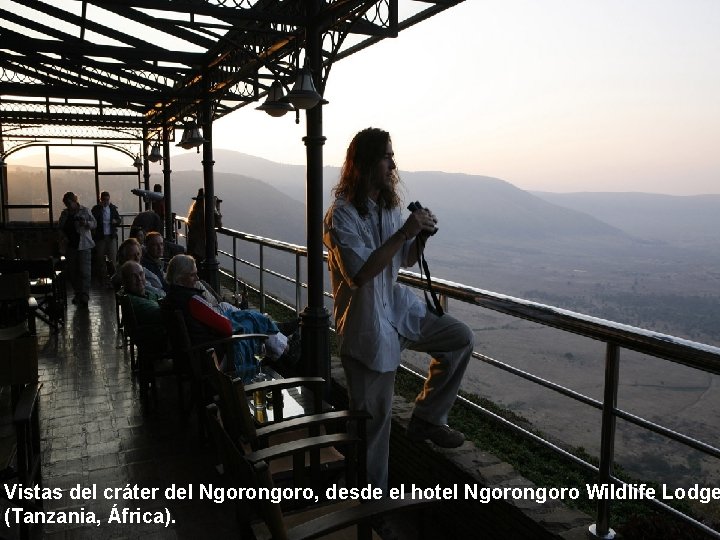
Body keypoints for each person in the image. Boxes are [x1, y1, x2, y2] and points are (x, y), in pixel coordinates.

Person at [323, 127, 474, 492]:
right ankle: (368, 505)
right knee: (373, 427)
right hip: (367, 326)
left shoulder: (388, 208)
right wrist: (404, 233)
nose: (393, 163)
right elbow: (359, 274)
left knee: (459, 339)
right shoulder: (341, 216)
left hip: (398, 311)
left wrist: (418, 236)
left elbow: (403, 259)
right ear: (365, 163)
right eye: (387, 156)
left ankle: (427, 417)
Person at [163, 254, 294, 381]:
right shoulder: (192, 300)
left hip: (194, 356)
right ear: (179, 278)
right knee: (253, 324)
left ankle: (285, 352)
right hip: (213, 358)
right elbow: (226, 328)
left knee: (252, 320)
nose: (197, 278)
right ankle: (288, 359)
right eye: (192, 274)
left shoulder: (171, 298)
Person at [58, 191, 96, 306]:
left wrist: (86, 223)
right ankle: (78, 293)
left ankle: (84, 295)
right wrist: (64, 237)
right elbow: (59, 228)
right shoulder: (64, 214)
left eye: (70, 203)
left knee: (85, 271)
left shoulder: (85, 210)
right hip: (70, 246)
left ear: (75, 201)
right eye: (67, 204)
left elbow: (94, 223)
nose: (68, 206)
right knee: (73, 272)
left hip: (84, 245)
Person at [119, 260, 163, 328]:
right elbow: (164, 314)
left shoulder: (145, 293)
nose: (139, 278)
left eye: (141, 274)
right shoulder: (135, 301)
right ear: (125, 281)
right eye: (133, 276)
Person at [91, 191, 121, 287]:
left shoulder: (112, 208)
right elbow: (93, 219)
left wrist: (115, 221)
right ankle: (103, 280)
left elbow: (118, 220)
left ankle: (112, 279)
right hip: (101, 237)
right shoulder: (97, 209)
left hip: (110, 236)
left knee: (112, 257)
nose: (106, 202)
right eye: (104, 200)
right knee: (100, 259)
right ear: (101, 199)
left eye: (107, 200)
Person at [186, 188, 222, 264]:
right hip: (202, 250)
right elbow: (219, 224)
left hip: (195, 249)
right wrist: (216, 209)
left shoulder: (195, 212)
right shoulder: (204, 213)